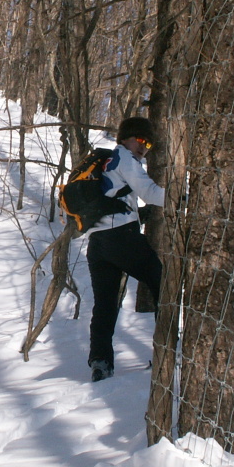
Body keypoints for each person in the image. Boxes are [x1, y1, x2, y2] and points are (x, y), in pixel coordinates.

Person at [85, 116, 165, 382]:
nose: (143, 147)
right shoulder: (126, 159)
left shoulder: (106, 162)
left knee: (105, 304)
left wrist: (139, 215)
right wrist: (179, 196)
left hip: (97, 242)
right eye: (140, 140)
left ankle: (100, 362)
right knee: (163, 283)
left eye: (148, 145)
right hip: (122, 237)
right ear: (125, 138)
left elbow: (114, 199)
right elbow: (151, 192)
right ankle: (168, 352)